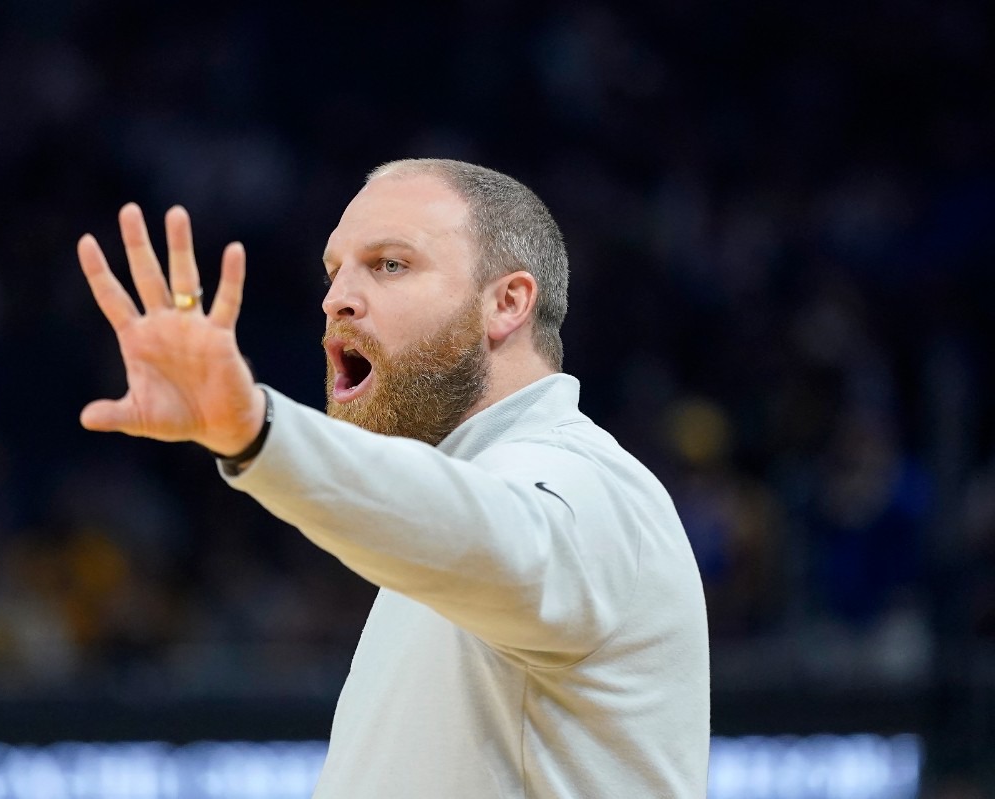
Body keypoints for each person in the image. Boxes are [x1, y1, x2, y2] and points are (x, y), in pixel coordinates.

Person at [77, 158, 710, 797]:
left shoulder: (585, 484)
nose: (335, 299)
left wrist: (257, 430)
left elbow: (489, 532)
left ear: (508, 303)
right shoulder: (458, 496)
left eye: (390, 265)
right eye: (333, 271)